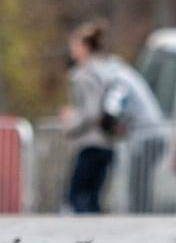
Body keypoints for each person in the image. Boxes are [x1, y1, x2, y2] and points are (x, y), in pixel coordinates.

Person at [61, 20, 164, 214]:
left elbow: (109, 108)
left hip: (145, 134)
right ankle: (141, 217)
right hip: (148, 132)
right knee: (130, 187)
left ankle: (141, 219)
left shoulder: (112, 76)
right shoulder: (119, 72)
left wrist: (75, 124)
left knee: (136, 186)